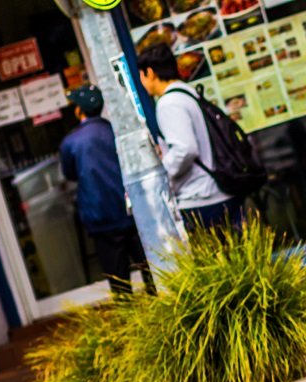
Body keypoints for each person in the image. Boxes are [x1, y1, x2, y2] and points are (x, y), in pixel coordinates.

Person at [135, 43, 243, 235]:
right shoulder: (187, 93)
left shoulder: (169, 102)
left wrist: (162, 176)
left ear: (149, 72)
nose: (142, 82)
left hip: (200, 197)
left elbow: (185, 149)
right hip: (219, 190)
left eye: (141, 75)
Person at [59, 85, 155, 296]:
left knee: (119, 284)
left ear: (79, 110)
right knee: (152, 273)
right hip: (132, 213)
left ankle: (131, 323)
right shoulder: (116, 131)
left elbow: (70, 174)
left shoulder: (71, 142)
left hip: (101, 219)